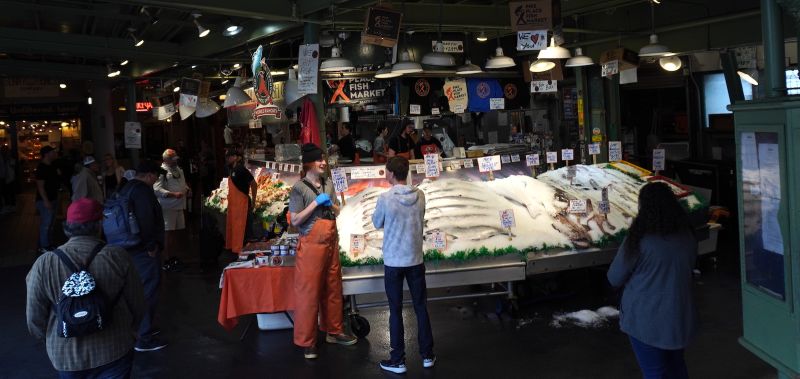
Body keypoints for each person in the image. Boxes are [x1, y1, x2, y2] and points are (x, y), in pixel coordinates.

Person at [26, 198, 146, 378]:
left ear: (67, 227)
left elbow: (34, 317)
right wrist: (132, 330)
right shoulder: (117, 256)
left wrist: (51, 339)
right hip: (115, 348)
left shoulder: (44, 264)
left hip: (67, 357)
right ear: (99, 225)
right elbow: (138, 302)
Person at [607, 182, 697, 379]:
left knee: (654, 373)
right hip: (679, 318)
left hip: (646, 321)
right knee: (677, 368)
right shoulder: (688, 235)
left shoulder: (639, 239)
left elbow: (615, 277)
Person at [289, 143, 357, 359]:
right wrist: (315, 204)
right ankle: (307, 341)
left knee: (333, 287)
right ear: (309, 163)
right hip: (310, 245)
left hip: (331, 241)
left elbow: (337, 210)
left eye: (324, 159)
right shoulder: (299, 188)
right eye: (319, 159)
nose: (324, 163)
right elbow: (295, 220)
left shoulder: (328, 184)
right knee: (309, 294)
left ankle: (334, 330)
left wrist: (332, 206)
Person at [372, 156, 435, 373]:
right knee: (420, 307)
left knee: (395, 309)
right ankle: (428, 355)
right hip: (415, 259)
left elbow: (376, 222)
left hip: (393, 262)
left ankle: (398, 360)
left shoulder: (385, 198)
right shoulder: (420, 195)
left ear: (390, 173)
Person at [123, 161, 168, 352]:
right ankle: (144, 337)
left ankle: (139, 328)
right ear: (150, 175)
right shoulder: (142, 191)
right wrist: (151, 246)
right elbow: (146, 220)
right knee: (148, 289)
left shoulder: (126, 188)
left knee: (136, 289)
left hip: (128, 247)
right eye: (156, 176)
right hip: (142, 250)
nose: (156, 179)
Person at [153, 148, 190, 272]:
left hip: (179, 205)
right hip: (168, 207)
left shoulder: (178, 169)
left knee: (176, 233)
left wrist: (187, 189)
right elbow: (157, 189)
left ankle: (173, 257)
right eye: (172, 159)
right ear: (166, 160)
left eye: (175, 159)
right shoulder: (162, 172)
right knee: (168, 234)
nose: (175, 161)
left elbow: (182, 183)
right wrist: (172, 194)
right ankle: (165, 260)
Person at [224, 149, 257, 254]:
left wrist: (254, 200)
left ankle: (247, 253)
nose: (227, 159)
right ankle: (237, 249)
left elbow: (254, 184)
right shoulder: (231, 170)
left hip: (243, 205)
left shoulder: (241, 169)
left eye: (229, 157)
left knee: (246, 232)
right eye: (227, 157)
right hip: (234, 206)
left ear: (235, 157)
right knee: (236, 228)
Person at [36, 146, 61, 253]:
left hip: (53, 198)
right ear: (46, 154)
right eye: (52, 152)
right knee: (46, 224)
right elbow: (40, 186)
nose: (55, 153)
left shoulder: (52, 165)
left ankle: (49, 244)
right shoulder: (41, 167)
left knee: (50, 224)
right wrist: (46, 201)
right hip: (45, 201)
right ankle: (44, 246)